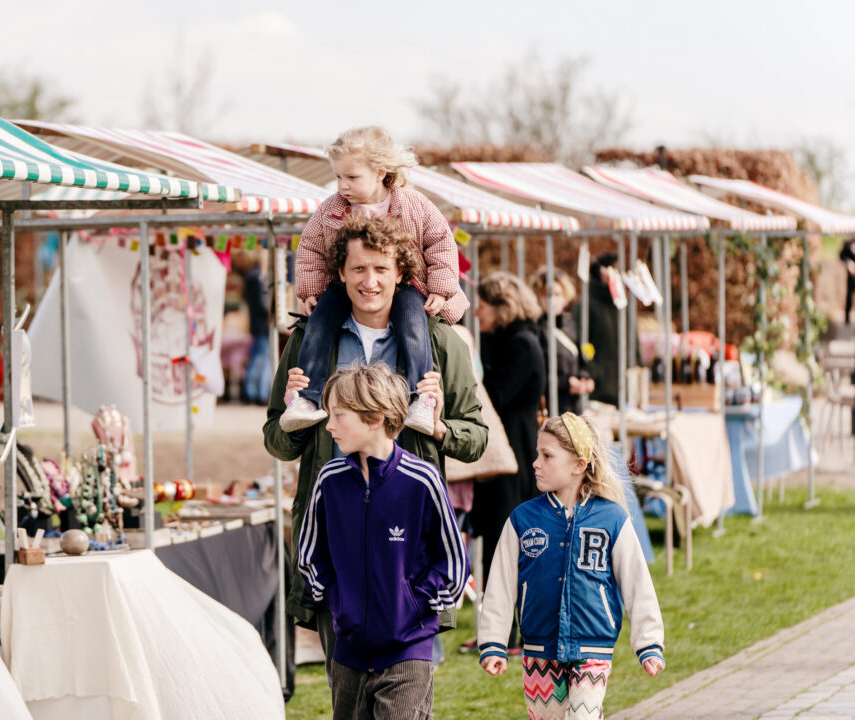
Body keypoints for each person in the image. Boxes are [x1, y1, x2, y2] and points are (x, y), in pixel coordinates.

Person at [263, 213, 487, 676]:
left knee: (405, 689)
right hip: (336, 540)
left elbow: (475, 439)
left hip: (408, 545)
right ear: (340, 273)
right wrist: (293, 418)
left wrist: (440, 427)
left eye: (381, 269)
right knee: (345, 690)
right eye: (359, 269)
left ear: (401, 274)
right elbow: (277, 442)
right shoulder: (308, 342)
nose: (370, 281)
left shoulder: (440, 343)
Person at [296, 363, 469, 719]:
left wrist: (414, 606)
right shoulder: (329, 480)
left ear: (375, 418)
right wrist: (338, 599)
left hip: (408, 651)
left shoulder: (423, 480)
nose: (329, 425)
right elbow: (311, 556)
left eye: (338, 415)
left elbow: (453, 561)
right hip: (349, 654)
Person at [279, 125, 469, 436]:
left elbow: (441, 242)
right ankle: (307, 398)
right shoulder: (331, 209)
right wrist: (311, 290)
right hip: (342, 286)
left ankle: (421, 397)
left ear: (380, 172)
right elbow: (310, 247)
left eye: (352, 177)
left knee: (413, 324)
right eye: (338, 177)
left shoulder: (415, 204)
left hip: (408, 284)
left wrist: (441, 288)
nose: (343, 186)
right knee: (320, 321)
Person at [478, 413, 665, 720]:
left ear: (579, 465)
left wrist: (649, 644)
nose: (536, 462)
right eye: (538, 454)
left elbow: (637, 583)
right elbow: (500, 586)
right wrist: (494, 643)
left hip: (593, 648)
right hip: (539, 650)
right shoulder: (522, 521)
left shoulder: (613, 520)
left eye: (547, 455)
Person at [462, 271, 546, 655]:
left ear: (502, 307)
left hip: (512, 455)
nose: (476, 312)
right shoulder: (515, 340)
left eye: (483, 305)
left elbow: (494, 396)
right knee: (500, 544)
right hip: (507, 451)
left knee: (505, 545)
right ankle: (499, 632)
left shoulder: (521, 344)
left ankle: (506, 635)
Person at [531, 268, 594, 414]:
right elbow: (536, 373)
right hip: (549, 407)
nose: (553, 300)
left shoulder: (570, 325)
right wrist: (566, 383)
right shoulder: (535, 328)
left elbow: (581, 359)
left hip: (575, 405)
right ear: (539, 296)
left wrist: (584, 378)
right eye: (547, 294)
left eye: (558, 294)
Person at [585, 252, 641, 406]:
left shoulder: (622, 303)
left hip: (624, 384)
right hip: (599, 391)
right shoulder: (588, 305)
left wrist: (637, 363)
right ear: (602, 271)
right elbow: (584, 343)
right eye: (615, 270)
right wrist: (594, 370)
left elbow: (633, 338)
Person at [242, 252, 272, 404]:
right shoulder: (259, 278)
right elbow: (263, 303)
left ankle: (255, 390)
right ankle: (257, 392)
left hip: (258, 324)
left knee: (259, 357)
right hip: (263, 324)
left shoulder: (251, 277)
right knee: (261, 358)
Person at [842, 237, 855, 325]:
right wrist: (848, 263)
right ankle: (847, 317)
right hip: (851, 276)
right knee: (849, 296)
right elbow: (842, 255)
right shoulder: (848, 244)